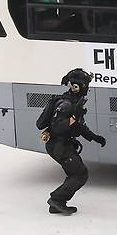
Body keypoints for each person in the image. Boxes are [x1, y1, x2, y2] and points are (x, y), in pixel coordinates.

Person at [37, 68, 106, 215]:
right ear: (77, 87)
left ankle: (56, 204)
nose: (87, 89)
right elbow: (57, 126)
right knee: (80, 174)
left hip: (62, 145)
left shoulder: (74, 102)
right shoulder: (66, 105)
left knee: (75, 173)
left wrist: (93, 136)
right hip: (58, 145)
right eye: (85, 85)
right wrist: (73, 117)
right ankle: (56, 200)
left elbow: (78, 125)